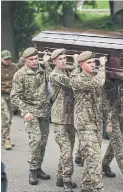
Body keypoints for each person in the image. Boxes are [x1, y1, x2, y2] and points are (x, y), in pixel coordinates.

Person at [10, 47, 52, 185]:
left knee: (43, 141)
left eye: (36, 59)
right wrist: (25, 111)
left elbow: (52, 79)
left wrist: (46, 63)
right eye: (31, 59)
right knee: (36, 139)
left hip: (44, 111)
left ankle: (38, 167)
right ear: (25, 60)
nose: (35, 62)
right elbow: (15, 97)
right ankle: (32, 169)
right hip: (30, 111)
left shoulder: (43, 69)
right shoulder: (20, 75)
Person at [71, 51, 106, 192]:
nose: (93, 65)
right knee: (95, 158)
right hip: (84, 124)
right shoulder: (78, 80)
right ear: (81, 65)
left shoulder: (93, 76)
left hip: (96, 123)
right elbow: (99, 83)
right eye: (89, 63)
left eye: (94, 62)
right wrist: (103, 66)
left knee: (90, 158)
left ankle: (86, 187)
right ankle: (98, 188)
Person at [49, 49, 80, 191]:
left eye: (64, 58)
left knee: (67, 150)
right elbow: (72, 84)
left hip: (70, 118)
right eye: (60, 59)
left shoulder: (65, 72)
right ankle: (67, 180)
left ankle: (60, 178)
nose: (63, 61)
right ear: (54, 61)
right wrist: (76, 64)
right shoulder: (55, 75)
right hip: (59, 118)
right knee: (66, 150)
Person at [102, 77, 123, 187]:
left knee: (115, 142)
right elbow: (105, 100)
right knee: (118, 145)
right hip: (112, 116)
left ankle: (105, 164)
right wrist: (109, 121)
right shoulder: (107, 79)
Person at [1, 50, 18, 150]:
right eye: (5, 59)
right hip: (1, 95)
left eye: (9, 58)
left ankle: (7, 137)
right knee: (6, 117)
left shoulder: (14, 67)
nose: (8, 60)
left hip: (11, 95)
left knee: (9, 119)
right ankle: (5, 140)